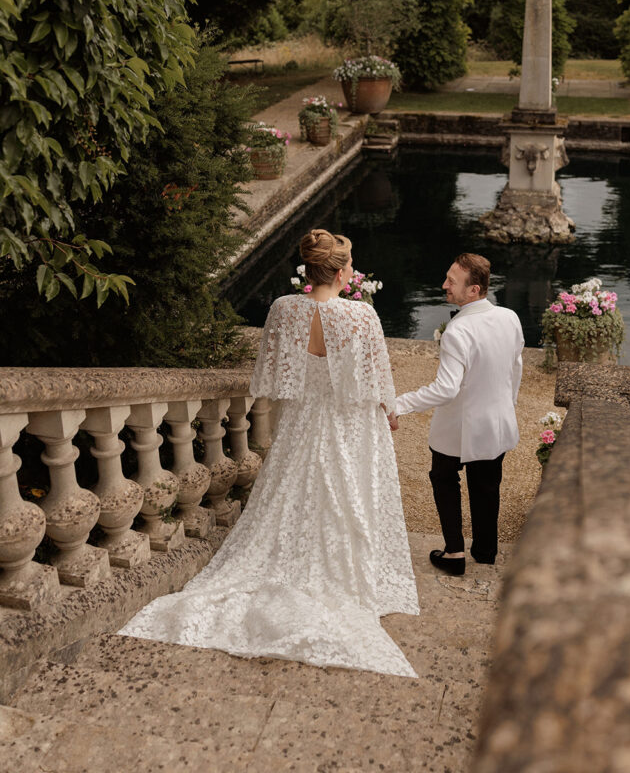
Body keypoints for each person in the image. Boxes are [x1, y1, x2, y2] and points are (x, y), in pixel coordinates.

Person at [119, 229, 419, 677]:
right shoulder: (361, 318)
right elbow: (376, 383)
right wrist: (390, 414)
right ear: (339, 273)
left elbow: (270, 378)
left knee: (293, 492)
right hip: (346, 425)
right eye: (350, 263)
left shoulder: (283, 309)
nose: (353, 270)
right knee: (346, 495)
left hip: (300, 421)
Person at [389, 253, 523, 577]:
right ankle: (486, 551)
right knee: (487, 485)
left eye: (452, 281)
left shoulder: (457, 331)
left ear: (474, 290)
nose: (444, 285)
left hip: (456, 427)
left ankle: (454, 554)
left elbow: (446, 389)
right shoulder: (510, 318)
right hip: (496, 422)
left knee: (444, 480)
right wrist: (507, 404)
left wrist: (400, 404)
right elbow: (515, 371)